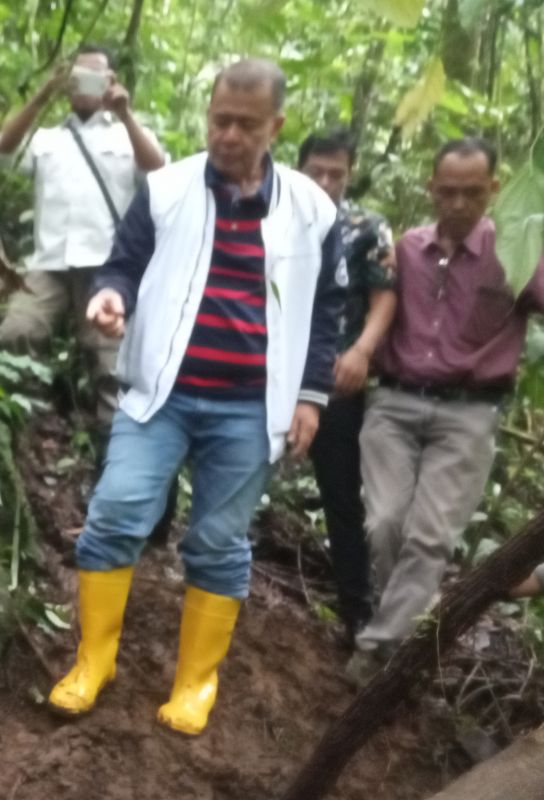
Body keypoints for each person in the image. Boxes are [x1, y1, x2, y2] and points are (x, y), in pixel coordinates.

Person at [47, 58, 346, 736]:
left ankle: (196, 683)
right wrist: (110, 296)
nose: (229, 135)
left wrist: (311, 396)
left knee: (217, 539)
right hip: (162, 392)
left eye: (245, 124)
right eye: (219, 120)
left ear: (276, 126)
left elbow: (327, 310)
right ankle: (94, 661)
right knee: (116, 512)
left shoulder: (310, 209)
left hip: (250, 405)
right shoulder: (168, 190)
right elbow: (122, 262)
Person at [347, 137, 544, 682]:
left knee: (429, 536)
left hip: (468, 413)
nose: (458, 204)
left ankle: (379, 652)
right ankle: (412, 625)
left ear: (495, 190)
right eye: (448, 192)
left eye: (473, 193)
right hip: (396, 403)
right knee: (385, 522)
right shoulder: (404, 249)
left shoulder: (517, 252)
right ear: (431, 188)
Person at [0, 44, 177, 540]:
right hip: (49, 264)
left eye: (96, 78)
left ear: (111, 79)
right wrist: (42, 94)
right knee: (16, 333)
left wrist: (126, 112)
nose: (85, 86)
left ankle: (112, 497)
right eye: (78, 77)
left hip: (105, 272)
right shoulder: (48, 138)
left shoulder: (124, 135)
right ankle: (14, 450)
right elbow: (3, 152)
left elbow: (160, 174)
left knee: (111, 374)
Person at [298, 129, 397, 644]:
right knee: (233, 470)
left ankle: (356, 611)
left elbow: (384, 297)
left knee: (341, 495)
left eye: (336, 172)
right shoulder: (277, 215)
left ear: (350, 173)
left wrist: (362, 351)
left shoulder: (367, 227)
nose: (326, 180)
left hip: (334, 380)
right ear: (300, 167)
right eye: (317, 169)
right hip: (268, 375)